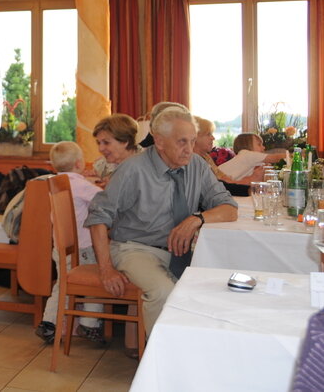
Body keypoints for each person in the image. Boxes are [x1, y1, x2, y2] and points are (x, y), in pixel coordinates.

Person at [85, 106, 238, 337]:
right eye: (181, 142)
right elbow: (98, 216)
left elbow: (229, 208)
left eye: (192, 141)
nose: (189, 150)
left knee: (217, 287)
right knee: (164, 292)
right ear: (159, 141)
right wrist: (106, 270)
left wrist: (196, 219)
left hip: (180, 250)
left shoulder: (196, 165)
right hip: (134, 248)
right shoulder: (133, 169)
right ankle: (160, 357)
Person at [33, 142, 105, 345]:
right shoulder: (80, 185)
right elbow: (103, 200)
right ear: (80, 164)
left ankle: (49, 323)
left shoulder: (57, 182)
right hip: (84, 248)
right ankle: (89, 324)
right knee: (95, 282)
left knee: (62, 285)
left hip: (61, 247)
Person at [91, 114, 141, 183]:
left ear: (124, 141)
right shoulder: (101, 166)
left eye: (106, 142)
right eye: (99, 143)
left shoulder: (147, 165)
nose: (100, 149)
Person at [218, 132, 287, 182]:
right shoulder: (246, 154)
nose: (263, 147)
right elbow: (276, 158)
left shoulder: (252, 161)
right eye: (259, 144)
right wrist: (292, 156)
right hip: (217, 180)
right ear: (247, 146)